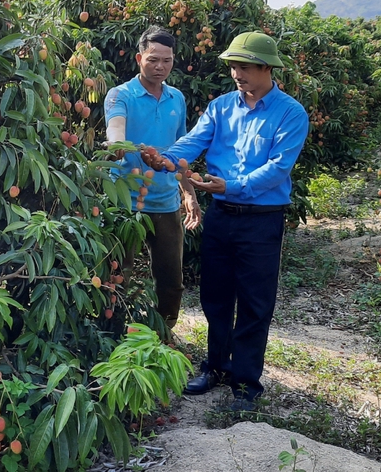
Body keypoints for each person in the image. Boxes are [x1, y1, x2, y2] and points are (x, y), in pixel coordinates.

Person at [141, 31, 309, 409]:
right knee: (215, 297)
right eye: (233, 66)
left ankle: (245, 381)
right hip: (221, 216)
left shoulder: (290, 113)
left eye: (245, 66)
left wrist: (229, 185)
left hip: (261, 221)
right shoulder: (220, 107)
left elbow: (278, 169)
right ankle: (215, 365)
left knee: (254, 302)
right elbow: (193, 142)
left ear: (267, 68)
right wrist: (165, 159)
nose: (236, 73)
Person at [104, 26, 201, 329]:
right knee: (118, 275)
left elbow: (181, 149)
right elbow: (116, 127)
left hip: (164, 201)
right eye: (153, 60)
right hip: (126, 202)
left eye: (167, 61)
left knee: (171, 281)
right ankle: (114, 332)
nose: (160, 67)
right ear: (138, 58)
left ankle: (164, 333)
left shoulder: (177, 98)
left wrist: (188, 192)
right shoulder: (120, 94)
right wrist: (117, 146)